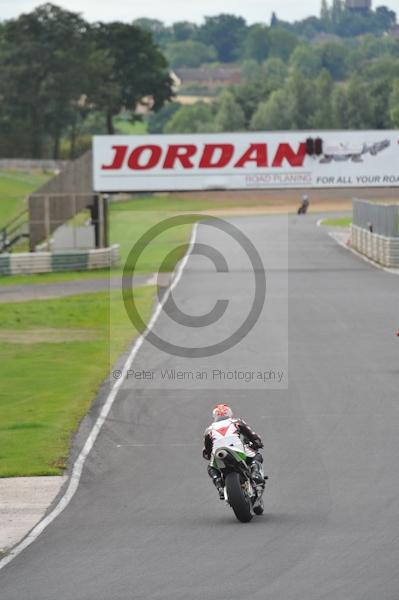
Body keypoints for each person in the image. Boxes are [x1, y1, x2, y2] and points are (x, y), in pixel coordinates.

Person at [203, 404, 267, 500]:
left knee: (211, 467)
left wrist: (208, 455)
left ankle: (219, 485)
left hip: (218, 453)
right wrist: (257, 443)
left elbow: (207, 449)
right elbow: (251, 435)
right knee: (256, 456)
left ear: (215, 416)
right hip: (237, 449)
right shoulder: (236, 422)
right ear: (230, 413)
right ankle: (255, 473)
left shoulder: (209, 429)